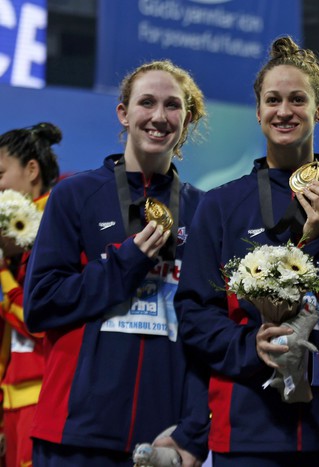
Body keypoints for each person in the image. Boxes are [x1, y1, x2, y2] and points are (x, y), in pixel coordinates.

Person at [23, 60, 209, 467]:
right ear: (124, 113)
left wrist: (193, 431)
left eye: (172, 105)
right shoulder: (75, 195)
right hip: (75, 434)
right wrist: (126, 262)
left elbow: (207, 328)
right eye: (147, 102)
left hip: (161, 439)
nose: (159, 116)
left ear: (187, 118)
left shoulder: (203, 210)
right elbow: (40, 304)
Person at [174, 36, 319, 466]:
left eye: (298, 99)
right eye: (273, 100)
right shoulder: (220, 205)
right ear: (258, 111)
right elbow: (194, 312)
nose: (284, 111)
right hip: (247, 427)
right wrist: (250, 345)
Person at [0, 122, 61, 467]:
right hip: (12, 399)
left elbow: (39, 322)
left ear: (32, 170)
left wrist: (3, 272)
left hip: (42, 396)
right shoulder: (11, 237)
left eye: (0, 174)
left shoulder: (56, 223)